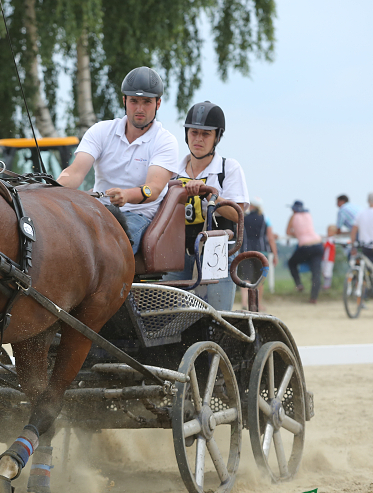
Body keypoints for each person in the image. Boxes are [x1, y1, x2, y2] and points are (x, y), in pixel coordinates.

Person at [57, 66, 179, 254]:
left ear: (158, 103)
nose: (139, 109)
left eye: (146, 102)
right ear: (124, 101)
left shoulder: (165, 141)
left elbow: (153, 189)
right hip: (98, 210)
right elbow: (75, 172)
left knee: (107, 246)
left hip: (138, 216)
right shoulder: (101, 131)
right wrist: (52, 189)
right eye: (134, 101)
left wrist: (126, 195)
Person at [161, 101, 248, 311]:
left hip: (217, 250)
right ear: (186, 134)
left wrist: (208, 194)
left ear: (217, 137)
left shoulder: (228, 168)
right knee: (169, 313)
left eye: (206, 134)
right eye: (194, 132)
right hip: (177, 251)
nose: (198, 139)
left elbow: (239, 214)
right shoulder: (171, 171)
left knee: (218, 313)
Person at [239, 197, 278, 310]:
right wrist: (275, 254)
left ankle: (244, 303)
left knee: (246, 277)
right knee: (260, 278)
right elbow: (270, 238)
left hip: (245, 251)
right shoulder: (265, 218)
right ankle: (257, 303)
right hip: (261, 252)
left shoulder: (243, 218)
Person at [286, 201, 323, 304]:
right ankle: (313, 298)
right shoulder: (308, 214)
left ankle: (299, 284)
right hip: (318, 244)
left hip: (306, 246)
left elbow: (288, 232)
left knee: (292, 263)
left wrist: (298, 234)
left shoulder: (293, 216)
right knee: (316, 273)